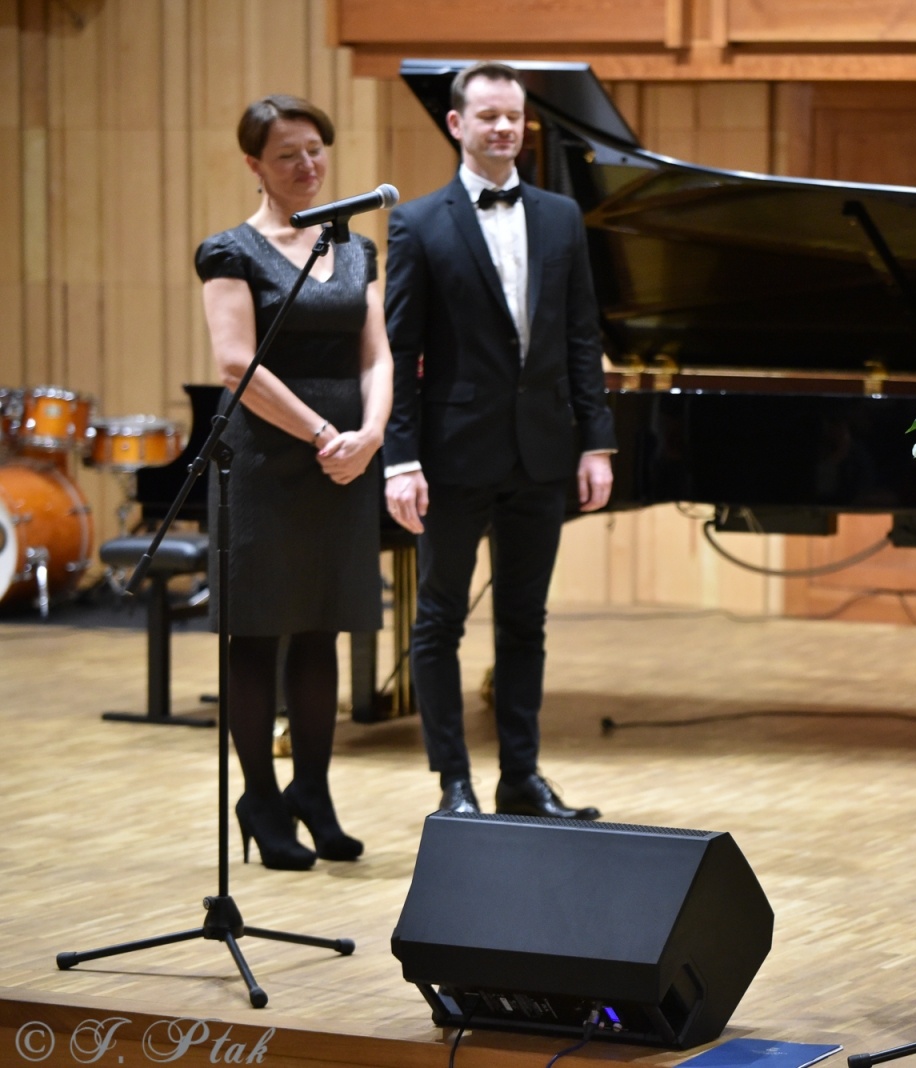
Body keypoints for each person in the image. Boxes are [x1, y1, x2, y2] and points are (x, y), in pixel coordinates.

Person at [383, 61, 616, 819]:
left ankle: (522, 776)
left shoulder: (559, 217)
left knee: (526, 621)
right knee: (439, 621)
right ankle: (454, 783)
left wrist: (597, 441)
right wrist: (402, 458)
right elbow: (399, 352)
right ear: (457, 124)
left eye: (513, 117)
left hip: (542, 452)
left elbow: (583, 336)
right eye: (487, 116)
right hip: (452, 455)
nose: (503, 129)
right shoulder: (417, 223)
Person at [196, 95, 392, 870]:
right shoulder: (229, 251)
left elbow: (375, 354)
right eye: (287, 156)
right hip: (271, 461)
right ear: (254, 166)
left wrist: (370, 436)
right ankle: (260, 797)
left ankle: (313, 790)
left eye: (315, 150)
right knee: (259, 633)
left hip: (346, 456)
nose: (307, 166)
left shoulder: (356, 247)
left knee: (322, 626)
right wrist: (320, 434)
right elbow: (235, 362)